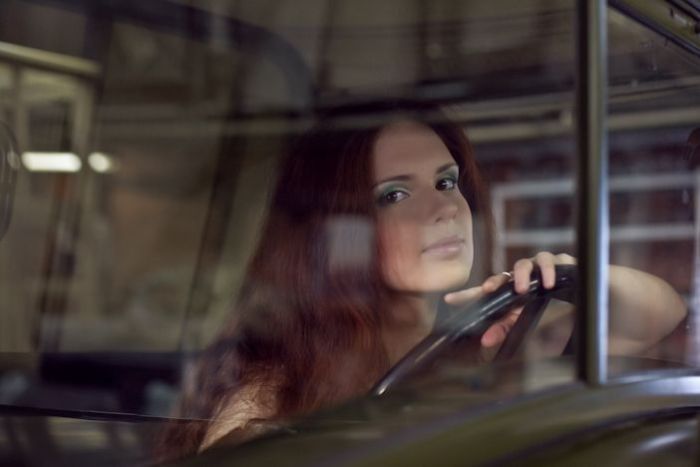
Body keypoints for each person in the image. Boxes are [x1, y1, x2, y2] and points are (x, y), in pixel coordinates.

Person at [154, 104, 687, 462]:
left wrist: (571, 277)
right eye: (394, 195)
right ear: (334, 233)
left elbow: (664, 314)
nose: (444, 210)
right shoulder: (271, 392)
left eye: (447, 182)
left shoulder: (493, 345)